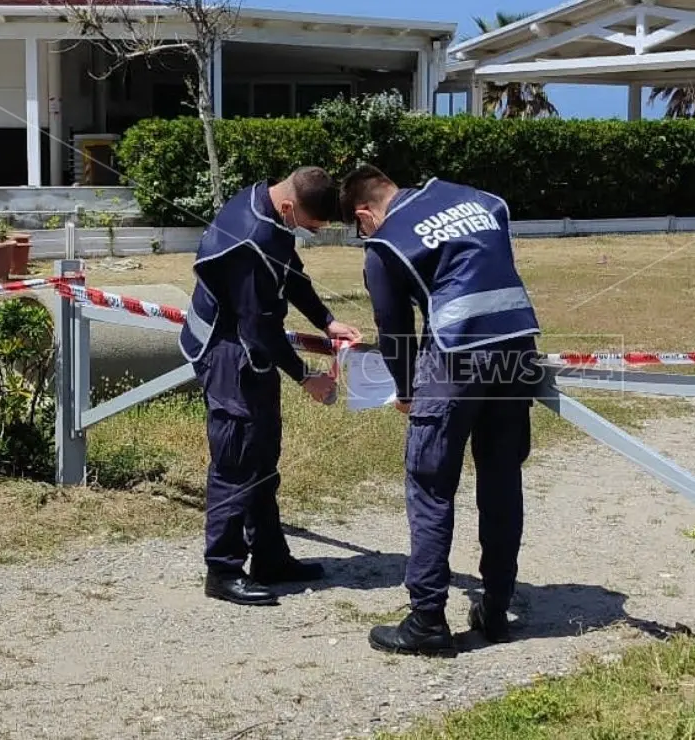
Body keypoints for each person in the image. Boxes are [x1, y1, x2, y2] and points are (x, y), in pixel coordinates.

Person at [338, 165, 543, 657]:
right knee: (501, 481)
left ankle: (427, 621)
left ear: (365, 213)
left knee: (430, 486)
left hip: (454, 361)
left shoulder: (386, 243)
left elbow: (393, 326)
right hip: (516, 349)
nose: (365, 233)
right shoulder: (475, 197)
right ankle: (495, 610)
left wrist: (407, 389)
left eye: (359, 226)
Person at [179, 166, 362, 607]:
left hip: (249, 346)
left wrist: (326, 319)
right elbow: (260, 329)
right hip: (227, 350)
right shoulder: (252, 241)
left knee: (263, 452)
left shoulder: (268, 204)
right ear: (288, 206)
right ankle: (222, 570)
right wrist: (306, 378)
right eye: (311, 224)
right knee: (236, 459)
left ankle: (269, 557)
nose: (312, 232)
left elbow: (291, 270)